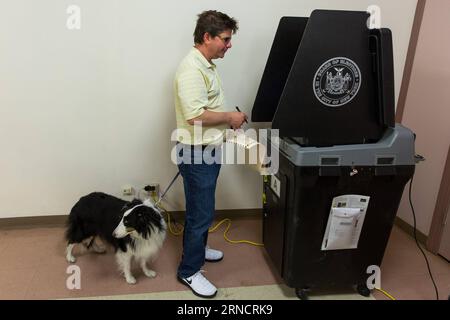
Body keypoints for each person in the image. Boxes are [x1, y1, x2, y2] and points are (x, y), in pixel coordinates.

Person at [173, 10, 247, 298]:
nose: (229, 45)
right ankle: (189, 271)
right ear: (207, 36)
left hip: (207, 151)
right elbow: (194, 116)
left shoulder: (206, 65)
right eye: (226, 39)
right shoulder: (191, 69)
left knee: (203, 209)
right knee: (200, 214)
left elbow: (205, 110)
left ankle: (200, 249)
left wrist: (228, 124)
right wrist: (230, 116)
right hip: (196, 154)